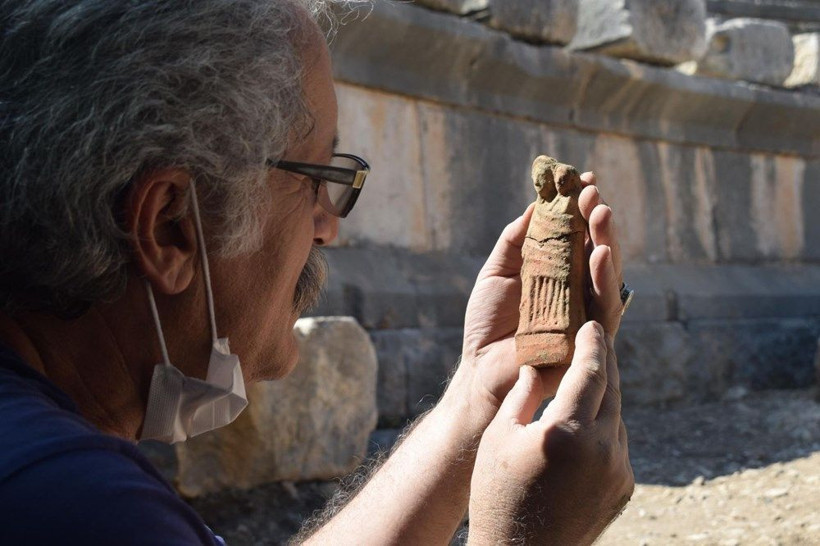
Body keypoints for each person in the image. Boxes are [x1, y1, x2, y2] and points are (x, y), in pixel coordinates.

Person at [0, 0, 633, 544]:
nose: (329, 225)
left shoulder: (47, 460)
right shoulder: (75, 504)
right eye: (316, 181)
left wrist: (476, 397)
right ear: (169, 227)